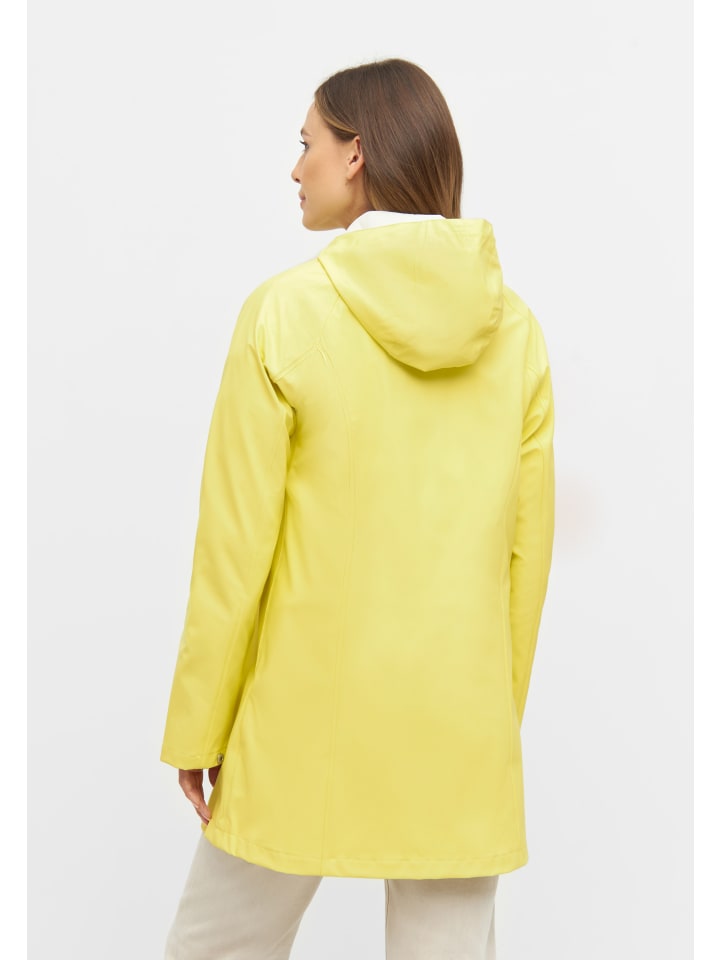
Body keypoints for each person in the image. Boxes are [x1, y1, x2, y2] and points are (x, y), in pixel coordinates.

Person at [160, 58, 555, 960]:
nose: (295, 167)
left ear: (356, 154)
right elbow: (524, 562)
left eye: (307, 142)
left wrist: (199, 724)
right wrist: (487, 723)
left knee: (213, 950)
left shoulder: (282, 314)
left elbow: (234, 553)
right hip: (457, 731)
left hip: (297, 721)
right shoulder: (518, 332)